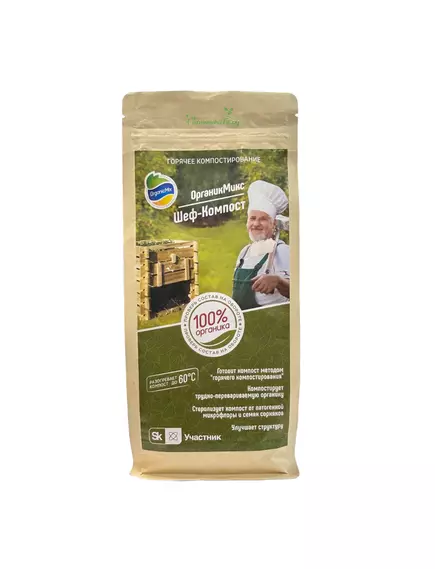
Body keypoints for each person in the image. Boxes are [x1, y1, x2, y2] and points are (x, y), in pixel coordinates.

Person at [232, 180, 290, 310]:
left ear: (273, 224)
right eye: (252, 218)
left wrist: (278, 281)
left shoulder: (282, 251)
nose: (256, 224)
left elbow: (298, 292)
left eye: (263, 219)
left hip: (270, 319)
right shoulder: (244, 252)